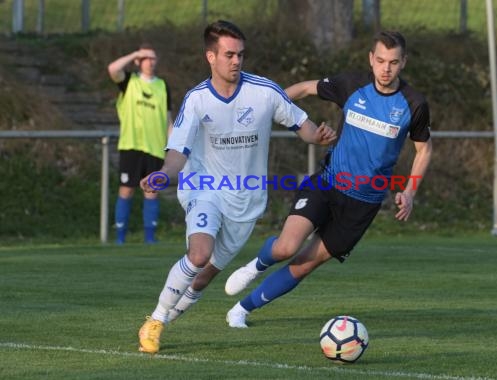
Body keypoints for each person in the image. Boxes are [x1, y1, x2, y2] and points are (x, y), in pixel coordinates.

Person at [137, 20, 336, 354]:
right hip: (205, 188)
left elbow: (301, 123)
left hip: (246, 200)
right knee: (198, 254)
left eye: (240, 55)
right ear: (210, 57)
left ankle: (163, 321)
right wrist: (163, 174)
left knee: (201, 278)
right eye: (229, 55)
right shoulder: (197, 100)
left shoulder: (264, 92)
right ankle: (155, 320)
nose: (236, 61)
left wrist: (316, 136)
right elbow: (177, 153)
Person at [225, 30, 433, 328]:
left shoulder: (414, 103)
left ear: (404, 63)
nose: (386, 69)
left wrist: (410, 191)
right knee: (287, 247)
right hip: (328, 183)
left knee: (303, 265)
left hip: (364, 204)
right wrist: (265, 110)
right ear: (371, 59)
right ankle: (255, 266)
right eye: (381, 60)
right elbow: (306, 88)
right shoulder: (351, 85)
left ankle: (241, 310)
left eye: (394, 62)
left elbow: (424, 149)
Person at [107, 43, 173, 244]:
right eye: (146, 58)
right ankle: (120, 238)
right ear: (138, 61)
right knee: (126, 189)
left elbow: (168, 119)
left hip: (155, 148)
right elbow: (113, 69)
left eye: (153, 58)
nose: (150, 62)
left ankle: (150, 239)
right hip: (131, 146)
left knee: (151, 191)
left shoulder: (162, 86)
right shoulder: (129, 81)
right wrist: (135, 52)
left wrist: (172, 147)